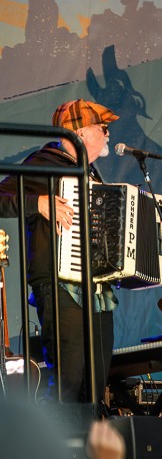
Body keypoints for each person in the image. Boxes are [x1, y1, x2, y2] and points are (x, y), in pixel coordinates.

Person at [0, 99, 120, 403]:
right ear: (79, 133)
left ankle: (84, 447)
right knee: (68, 376)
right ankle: (55, 448)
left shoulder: (89, 173)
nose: (108, 135)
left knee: (95, 381)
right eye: (102, 128)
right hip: (59, 284)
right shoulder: (44, 163)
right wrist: (38, 203)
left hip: (96, 289)